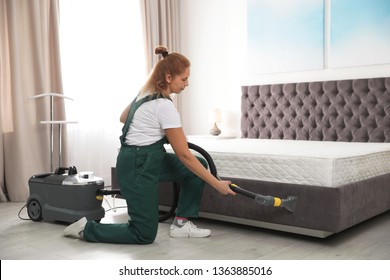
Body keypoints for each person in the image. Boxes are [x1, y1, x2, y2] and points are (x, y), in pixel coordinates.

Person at [64, 46, 236, 244]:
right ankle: (86, 229)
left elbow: (123, 117)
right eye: (184, 79)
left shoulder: (146, 94)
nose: (187, 84)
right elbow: (184, 155)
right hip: (137, 165)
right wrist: (216, 184)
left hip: (148, 158)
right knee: (143, 234)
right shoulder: (164, 106)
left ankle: (180, 223)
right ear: (169, 77)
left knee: (197, 167)